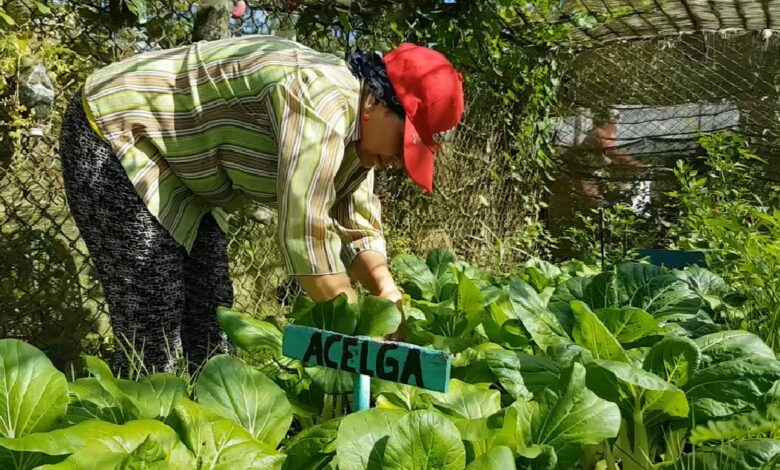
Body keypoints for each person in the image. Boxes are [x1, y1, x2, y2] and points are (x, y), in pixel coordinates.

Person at [58, 34, 464, 376]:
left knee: (211, 306)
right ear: (375, 102)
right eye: (405, 140)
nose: (398, 159)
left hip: (182, 173)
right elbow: (305, 233)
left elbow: (356, 224)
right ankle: (142, 429)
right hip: (118, 128)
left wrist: (387, 295)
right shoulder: (321, 101)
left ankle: (209, 428)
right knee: (153, 308)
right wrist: (360, 330)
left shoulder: (361, 139)